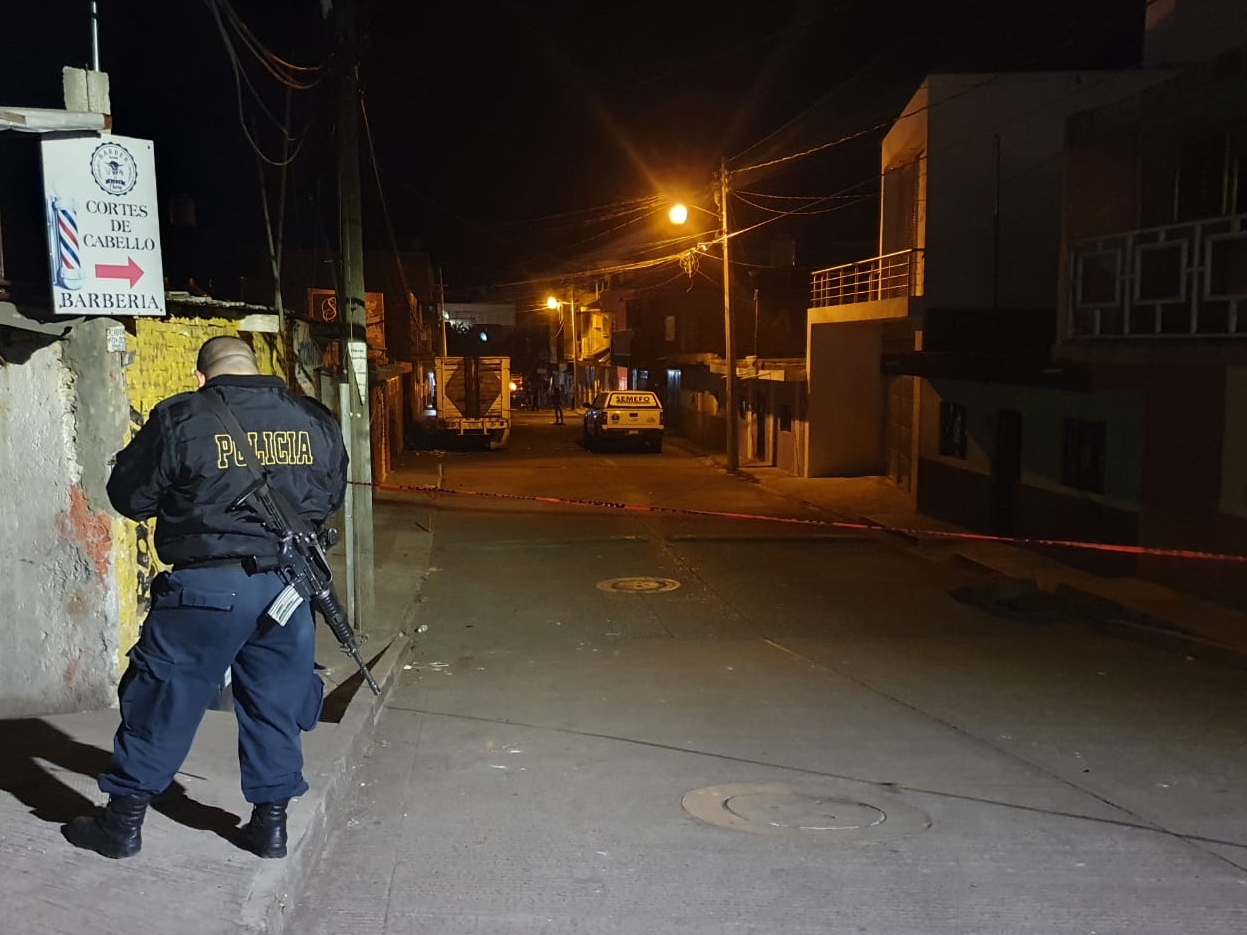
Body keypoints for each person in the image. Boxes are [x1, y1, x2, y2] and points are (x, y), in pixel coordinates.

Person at [64, 335, 348, 860]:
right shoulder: (314, 418)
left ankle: (122, 826)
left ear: (202, 376)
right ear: (256, 368)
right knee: (276, 703)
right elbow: (330, 496)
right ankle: (271, 827)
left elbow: (129, 497)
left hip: (206, 590)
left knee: (163, 698)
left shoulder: (182, 418)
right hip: (289, 586)